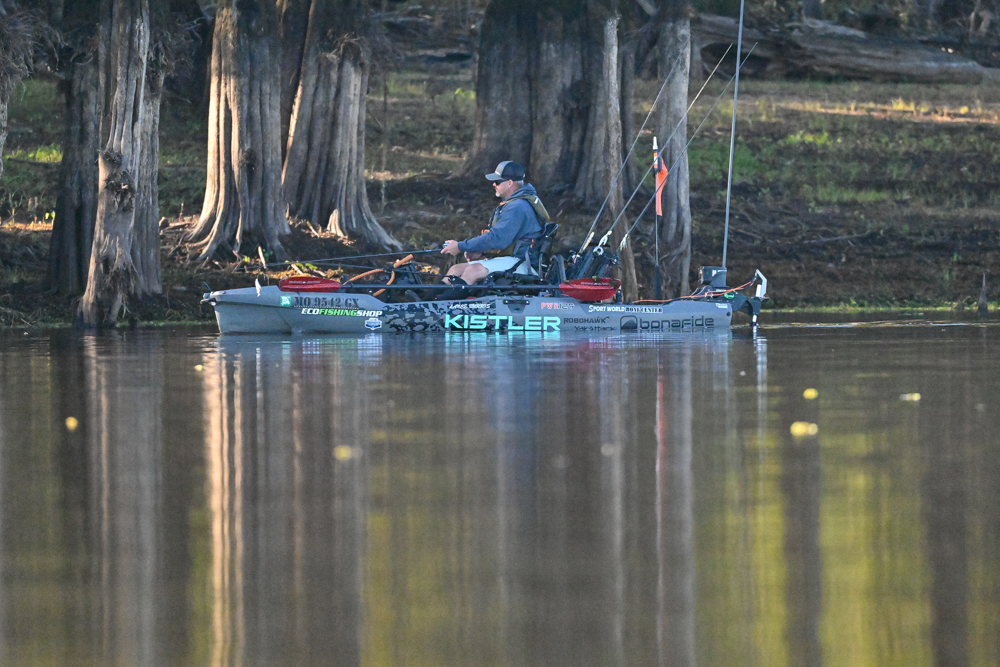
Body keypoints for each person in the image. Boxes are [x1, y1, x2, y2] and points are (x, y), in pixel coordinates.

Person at [439, 161, 547, 291]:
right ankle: (429, 299)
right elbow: (507, 238)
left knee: (473, 270)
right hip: (511, 259)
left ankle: (445, 301)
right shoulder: (517, 202)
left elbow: (497, 239)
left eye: (497, 181)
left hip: (523, 264)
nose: (493, 184)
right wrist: (481, 251)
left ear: (510, 183)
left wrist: (460, 246)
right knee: (455, 270)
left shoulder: (517, 207)